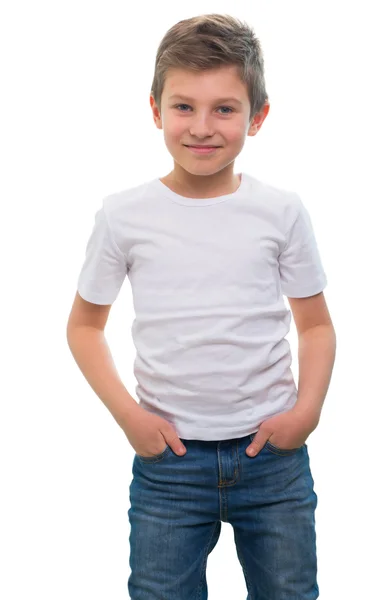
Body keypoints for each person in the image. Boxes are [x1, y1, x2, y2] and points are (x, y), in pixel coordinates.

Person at [67, 13, 336, 600]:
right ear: (156, 110)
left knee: (290, 593)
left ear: (257, 116)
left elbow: (314, 325)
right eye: (184, 106)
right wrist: (129, 418)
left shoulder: (281, 212)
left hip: (273, 459)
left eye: (225, 108)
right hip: (170, 464)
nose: (202, 127)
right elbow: (85, 327)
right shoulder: (124, 216)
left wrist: (306, 413)